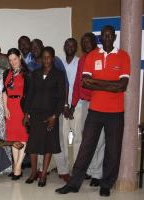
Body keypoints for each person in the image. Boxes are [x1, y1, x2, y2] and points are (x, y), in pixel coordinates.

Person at [56, 25, 130, 197]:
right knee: (86, 147)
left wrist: (98, 83)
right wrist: (109, 85)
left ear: (114, 37)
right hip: (95, 110)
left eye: (109, 35)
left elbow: (122, 86)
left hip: (116, 112)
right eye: (103, 36)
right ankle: (74, 184)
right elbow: (85, 82)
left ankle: (106, 184)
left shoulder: (123, 56)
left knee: (113, 149)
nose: (106, 38)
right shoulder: (91, 57)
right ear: (100, 38)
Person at [24, 46, 66, 187]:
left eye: (49, 57)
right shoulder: (35, 73)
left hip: (50, 115)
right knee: (33, 145)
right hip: (35, 114)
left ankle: (43, 174)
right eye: (44, 57)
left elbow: (61, 98)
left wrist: (55, 116)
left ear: (53, 59)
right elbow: (30, 95)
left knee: (49, 144)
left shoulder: (59, 74)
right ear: (41, 59)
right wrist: (26, 113)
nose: (46, 60)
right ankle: (34, 172)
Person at [71, 32, 105, 187]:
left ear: (94, 41)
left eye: (88, 41)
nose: (86, 44)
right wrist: (73, 104)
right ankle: (90, 170)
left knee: (100, 139)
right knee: (88, 139)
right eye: (83, 42)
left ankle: (98, 173)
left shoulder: (101, 56)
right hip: (85, 104)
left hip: (99, 103)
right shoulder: (83, 59)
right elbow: (78, 83)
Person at [3, 48, 29, 180]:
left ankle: (18, 166)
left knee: (23, 136)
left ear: (20, 57)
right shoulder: (7, 73)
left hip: (22, 107)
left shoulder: (27, 73)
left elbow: (30, 94)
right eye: (10, 60)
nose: (13, 62)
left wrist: (28, 113)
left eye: (15, 59)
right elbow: (4, 91)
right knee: (13, 137)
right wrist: (5, 108)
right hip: (10, 108)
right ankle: (16, 166)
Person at [58, 38, 80, 181]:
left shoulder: (79, 62)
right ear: (64, 47)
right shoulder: (59, 63)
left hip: (77, 106)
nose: (70, 47)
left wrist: (71, 107)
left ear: (76, 47)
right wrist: (64, 106)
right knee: (63, 138)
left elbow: (79, 85)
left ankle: (77, 168)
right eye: (67, 45)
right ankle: (64, 168)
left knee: (78, 138)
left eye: (72, 45)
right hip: (62, 107)